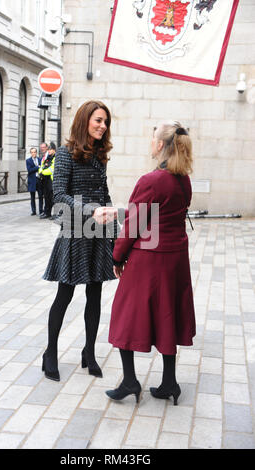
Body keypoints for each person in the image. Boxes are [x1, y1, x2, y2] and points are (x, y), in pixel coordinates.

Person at [106, 121, 196, 406]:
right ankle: (169, 382)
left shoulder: (151, 180)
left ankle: (131, 381)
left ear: (159, 145)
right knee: (168, 314)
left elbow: (133, 225)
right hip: (176, 259)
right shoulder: (184, 179)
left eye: (153, 138)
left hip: (149, 259)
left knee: (125, 315)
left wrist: (117, 256)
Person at [42, 100, 117, 382]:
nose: (103, 126)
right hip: (75, 231)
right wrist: (90, 210)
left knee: (95, 295)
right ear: (85, 120)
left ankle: (89, 352)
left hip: (99, 232)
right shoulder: (65, 154)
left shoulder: (99, 155)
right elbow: (58, 196)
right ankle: (50, 352)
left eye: (106, 122)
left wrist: (116, 234)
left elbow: (105, 194)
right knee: (65, 294)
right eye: (98, 120)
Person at [38, 142, 56, 219]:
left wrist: (42, 172)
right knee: (47, 197)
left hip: (52, 181)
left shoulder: (56, 157)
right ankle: (47, 212)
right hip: (45, 180)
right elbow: (42, 166)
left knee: (53, 198)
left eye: (50, 149)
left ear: (54, 150)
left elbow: (52, 169)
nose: (49, 151)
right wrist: (40, 171)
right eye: (48, 150)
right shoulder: (47, 157)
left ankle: (55, 214)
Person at [26, 147, 44, 216]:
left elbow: (42, 168)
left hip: (39, 180)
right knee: (32, 197)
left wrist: (39, 167)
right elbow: (29, 170)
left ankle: (41, 211)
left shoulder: (40, 159)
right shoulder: (28, 161)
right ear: (30, 153)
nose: (33, 153)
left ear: (36, 153)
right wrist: (37, 167)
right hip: (32, 181)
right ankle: (33, 211)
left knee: (40, 196)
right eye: (32, 152)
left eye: (34, 152)